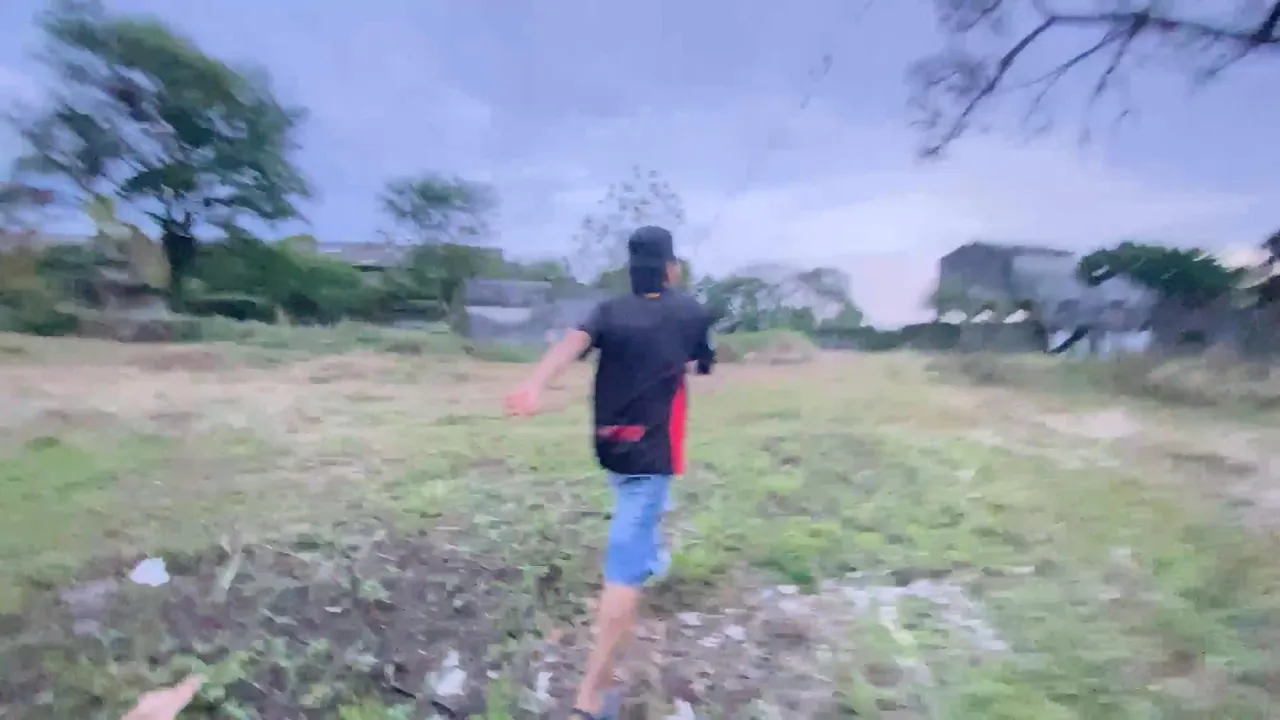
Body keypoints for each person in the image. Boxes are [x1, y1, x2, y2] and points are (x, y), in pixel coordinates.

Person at [505, 226, 714, 720]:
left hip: (611, 446)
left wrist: (534, 385)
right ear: (670, 267)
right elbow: (700, 364)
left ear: (631, 268)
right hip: (651, 454)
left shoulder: (609, 310)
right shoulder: (689, 310)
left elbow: (571, 344)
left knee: (640, 503)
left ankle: (650, 555)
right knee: (625, 566)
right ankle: (590, 699)